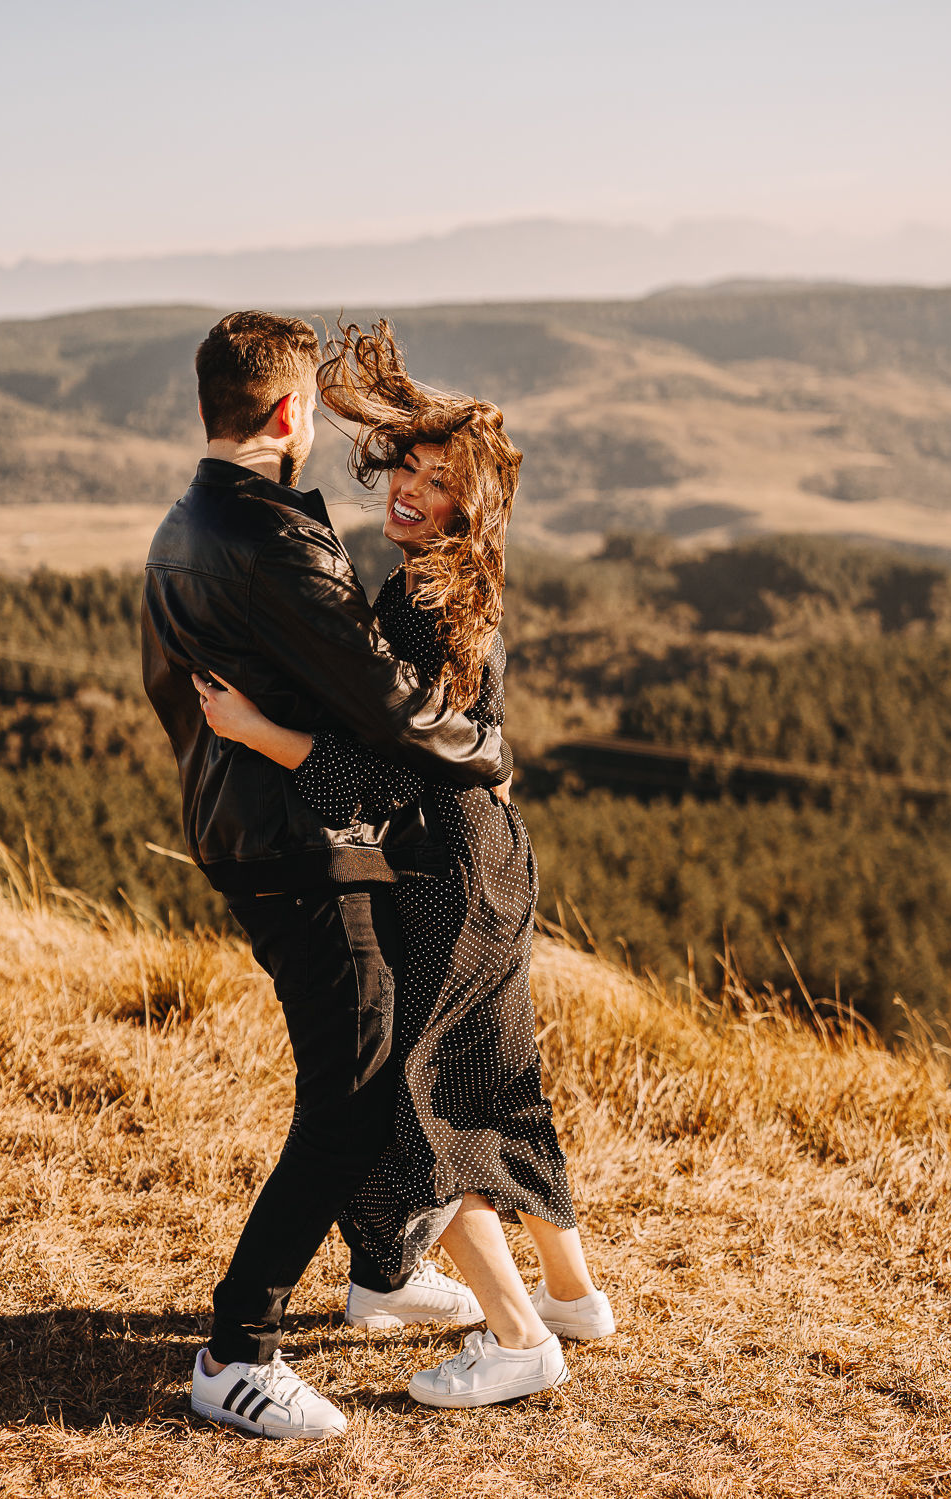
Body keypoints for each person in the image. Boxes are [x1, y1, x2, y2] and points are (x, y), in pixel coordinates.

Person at [195, 320, 614, 1413]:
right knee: (494, 1079)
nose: (414, 493)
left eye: (441, 484)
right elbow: (480, 747)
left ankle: (520, 1337)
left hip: (440, 872)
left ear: (470, 508)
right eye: (412, 470)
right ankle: (574, 1296)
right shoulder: (467, 587)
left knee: (413, 1102)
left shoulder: (412, 599)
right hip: (495, 862)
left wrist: (258, 734)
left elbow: (378, 776)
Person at [142, 311, 517, 1441]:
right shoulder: (275, 539)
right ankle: (236, 1352)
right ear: (291, 414)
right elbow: (387, 703)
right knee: (353, 1101)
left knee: (358, 1071)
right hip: (300, 845)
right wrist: (489, 747)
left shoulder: (182, 522)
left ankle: (381, 1269)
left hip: (247, 830)